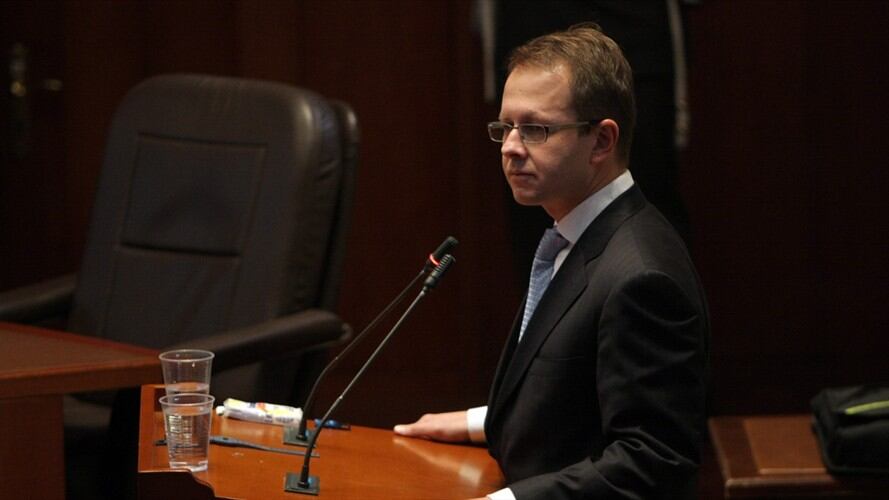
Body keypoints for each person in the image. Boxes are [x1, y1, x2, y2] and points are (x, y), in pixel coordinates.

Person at [394, 23, 709, 499]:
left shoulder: (643, 277)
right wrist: (486, 419)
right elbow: (583, 395)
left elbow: (653, 459)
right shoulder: (576, 236)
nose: (511, 148)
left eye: (535, 129)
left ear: (601, 141)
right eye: (505, 127)